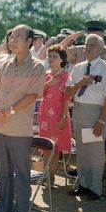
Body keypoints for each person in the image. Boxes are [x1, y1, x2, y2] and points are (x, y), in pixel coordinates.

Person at [0, 24, 45, 212]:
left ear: (29, 41)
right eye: (11, 37)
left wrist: (10, 111)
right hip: (0, 125)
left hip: (18, 128)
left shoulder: (37, 66)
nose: (13, 40)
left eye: (19, 37)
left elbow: (33, 95)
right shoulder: (5, 64)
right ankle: (3, 210)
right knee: (3, 172)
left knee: (21, 174)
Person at [65, 34, 106, 200]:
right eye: (86, 44)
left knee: (95, 152)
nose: (88, 47)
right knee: (82, 151)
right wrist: (80, 83)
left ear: (101, 48)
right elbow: (67, 91)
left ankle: (95, 188)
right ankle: (84, 184)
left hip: (95, 114)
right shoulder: (78, 67)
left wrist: (101, 120)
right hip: (79, 111)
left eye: (92, 45)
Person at [37, 45, 71, 184]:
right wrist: (48, 83)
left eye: (54, 56)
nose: (51, 59)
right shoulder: (46, 74)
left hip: (58, 113)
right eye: (50, 56)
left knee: (55, 146)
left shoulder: (66, 76)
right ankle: (45, 173)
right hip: (44, 112)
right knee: (45, 145)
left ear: (62, 59)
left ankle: (51, 173)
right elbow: (38, 92)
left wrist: (63, 117)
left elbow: (66, 98)